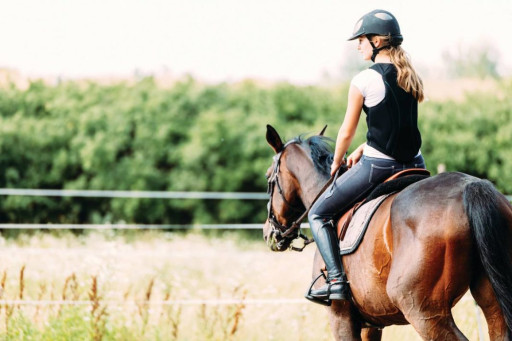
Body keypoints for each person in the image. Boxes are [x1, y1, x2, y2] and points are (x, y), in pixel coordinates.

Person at [307, 9, 426, 301]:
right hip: (417, 165)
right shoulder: (409, 75)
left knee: (318, 213)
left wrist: (337, 161)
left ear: (376, 41)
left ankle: (335, 281)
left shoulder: (364, 80)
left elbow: (346, 132)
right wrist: (366, 144)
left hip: (380, 167)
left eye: (361, 40)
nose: (358, 46)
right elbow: (396, 125)